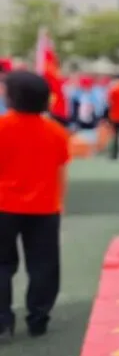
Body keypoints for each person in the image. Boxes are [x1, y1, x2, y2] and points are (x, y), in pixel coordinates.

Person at [0, 72, 71, 340]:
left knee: (2, 264)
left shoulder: (2, 126)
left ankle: (2, 320)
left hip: (3, 206)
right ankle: (38, 317)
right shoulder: (56, 131)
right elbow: (60, 169)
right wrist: (60, 202)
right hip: (44, 207)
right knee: (44, 265)